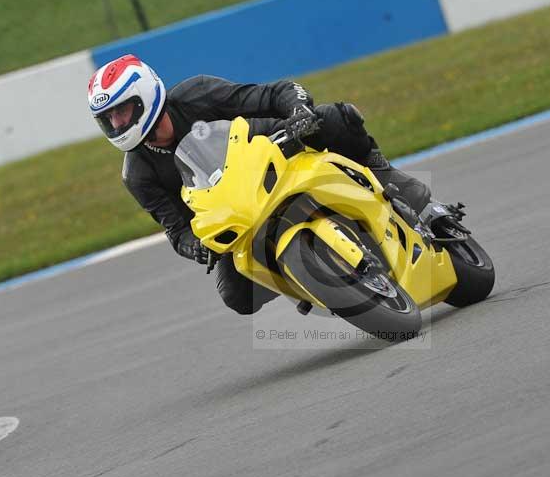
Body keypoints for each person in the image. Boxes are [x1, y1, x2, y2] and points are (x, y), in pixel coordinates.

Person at [87, 54, 432, 314]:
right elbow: (177, 230)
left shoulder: (197, 93)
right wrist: (196, 247)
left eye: (122, 111)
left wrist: (298, 110)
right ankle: (305, 278)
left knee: (332, 117)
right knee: (236, 296)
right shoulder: (137, 175)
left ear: (145, 97)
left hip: (272, 151)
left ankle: (387, 177)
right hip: (234, 214)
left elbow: (274, 93)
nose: (117, 124)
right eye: (108, 119)